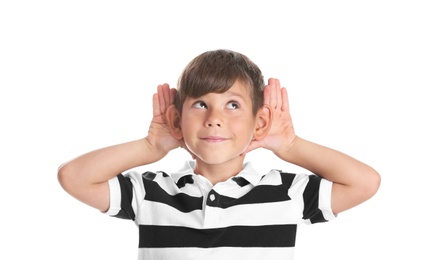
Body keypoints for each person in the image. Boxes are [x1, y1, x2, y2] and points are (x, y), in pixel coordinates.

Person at [58, 49, 380, 259]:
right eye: (200, 104)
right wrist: (151, 147)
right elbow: (74, 177)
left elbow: (364, 182)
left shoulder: (285, 193)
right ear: (177, 120)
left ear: (260, 122)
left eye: (233, 105)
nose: (214, 118)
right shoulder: (152, 193)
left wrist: (290, 146)